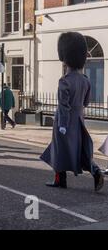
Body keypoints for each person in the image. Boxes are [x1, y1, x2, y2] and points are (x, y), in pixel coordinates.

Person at [41, 32, 104, 191]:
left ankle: (60, 180)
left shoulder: (64, 81)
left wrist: (62, 125)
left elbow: (63, 107)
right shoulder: (85, 80)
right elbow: (86, 102)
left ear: (65, 58)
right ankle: (96, 172)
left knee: (59, 150)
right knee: (80, 150)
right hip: (79, 120)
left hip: (65, 121)